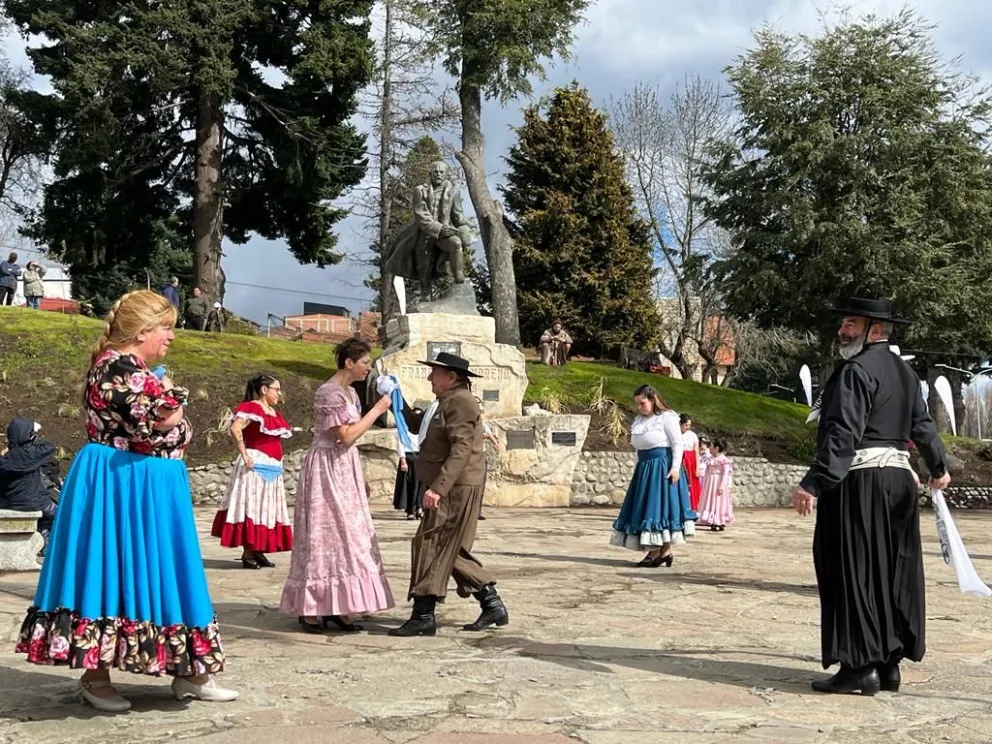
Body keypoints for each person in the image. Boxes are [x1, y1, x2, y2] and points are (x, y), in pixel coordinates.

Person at [14, 290, 237, 712]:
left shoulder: (133, 367)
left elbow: (166, 422)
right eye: (165, 327)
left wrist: (172, 406)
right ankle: (96, 675)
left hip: (144, 481)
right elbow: (158, 420)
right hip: (122, 481)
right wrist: (175, 398)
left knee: (167, 570)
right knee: (111, 569)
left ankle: (189, 671)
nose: (171, 336)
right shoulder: (118, 365)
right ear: (142, 331)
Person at [791, 297, 950, 696]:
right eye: (843, 323)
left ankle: (859, 667)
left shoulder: (855, 371)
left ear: (875, 330)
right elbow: (924, 427)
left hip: (859, 482)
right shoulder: (907, 375)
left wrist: (814, 480)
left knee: (853, 569)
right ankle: (887, 663)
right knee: (890, 571)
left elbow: (843, 432)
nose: (842, 331)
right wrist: (939, 467)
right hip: (898, 483)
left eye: (850, 324)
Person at [280, 338, 395, 633]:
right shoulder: (329, 392)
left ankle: (341, 606)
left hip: (345, 468)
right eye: (365, 362)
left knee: (350, 536)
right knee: (323, 534)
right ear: (349, 363)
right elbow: (344, 435)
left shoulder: (351, 395)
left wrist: (361, 478)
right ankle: (311, 607)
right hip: (326, 467)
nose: (369, 367)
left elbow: (349, 442)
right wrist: (378, 410)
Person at [389, 353, 508, 637]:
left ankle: (423, 615)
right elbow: (420, 426)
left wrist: (438, 488)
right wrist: (395, 398)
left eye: (435, 372)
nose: (430, 377)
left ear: (451, 377)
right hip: (451, 485)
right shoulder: (446, 400)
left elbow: (461, 449)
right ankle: (490, 603)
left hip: (455, 486)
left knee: (432, 543)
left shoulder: (461, 402)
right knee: (446, 546)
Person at [211, 373, 293, 569]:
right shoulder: (252, 408)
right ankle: (248, 552)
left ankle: (258, 549)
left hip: (272, 467)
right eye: (276, 389)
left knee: (266, 508)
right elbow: (235, 427)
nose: (279, 393)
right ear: (264, 389)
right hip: (255, 465)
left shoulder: (273, 412)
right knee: (253, 507)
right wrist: (244, 452)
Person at [610, 385, 696, 567]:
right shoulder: (640, 420)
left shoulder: (666, 417)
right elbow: (639, 447)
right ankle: (664, 552)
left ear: (652, 400)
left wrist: (674, 468)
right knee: (652, 507)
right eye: (637, 404)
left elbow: (677, 443)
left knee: (659, 508)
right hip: (646, 468)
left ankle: (656, 552)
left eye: (642, 403)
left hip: (662, 466)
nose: (639, 407)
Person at [383, 160, 474, 303]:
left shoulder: (453, 191)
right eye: (435, 172)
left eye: (441, 172)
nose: (438, 174)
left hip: (444, 234)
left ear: (446, 174)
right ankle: (425, 294)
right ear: (430, 173)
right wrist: (440, 229)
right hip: (424, 233)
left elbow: (458, 215)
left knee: (456, 243)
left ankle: (459, 278)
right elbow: (421, 215)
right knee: (424, 263)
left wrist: (469, 226)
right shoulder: (420, 190)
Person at [0, 417, 58, 557]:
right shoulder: (31, 454)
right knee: (60, 514)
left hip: (10, 503)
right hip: (35, 501)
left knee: (46, 517)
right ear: (29, 435)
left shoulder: (6, 459)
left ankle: (43, 540)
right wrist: (33, 436)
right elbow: (49, 446)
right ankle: (47, 544)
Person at [393, 402, 430, 521]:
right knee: (410, 485)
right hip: (409, 458)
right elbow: (401, 445)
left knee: (421, 485)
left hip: (421, 457)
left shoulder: (424, 430)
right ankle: (410, 510)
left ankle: (419, 508)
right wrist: (403, 460)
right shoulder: (404, 429)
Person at [696, 438, 734, 531]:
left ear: (716, 448)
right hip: (710, 483)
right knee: (710, 500)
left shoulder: (724, 460)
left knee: (718, 501)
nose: (710, 449)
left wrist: (722, 485)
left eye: (712, 447)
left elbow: (725, 474)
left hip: (718, 482)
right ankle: (711, 519)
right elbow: (706, 471)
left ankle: (719, 520)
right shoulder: (710, 459)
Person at [680, 414, 702, 511]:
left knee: (692, 484)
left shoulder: (693, 435)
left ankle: (692, 507)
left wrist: (697, 467)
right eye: (686, 425)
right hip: (680, 460)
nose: (688, 427)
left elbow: (697, 452)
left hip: (691, 462)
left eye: (689, 425)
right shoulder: (675, 434)